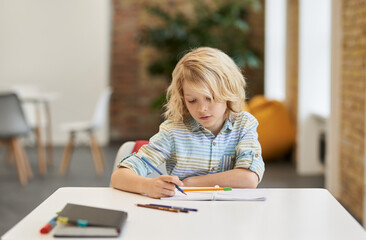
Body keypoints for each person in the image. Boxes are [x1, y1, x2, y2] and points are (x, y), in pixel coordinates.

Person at [111, 47, 265, 198]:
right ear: (183, 99)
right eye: (192, 101)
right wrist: (148, 185)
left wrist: (192, 182)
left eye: (210, 98)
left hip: (230, 215)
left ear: (228, 92)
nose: (202, 109)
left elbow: (249, 179)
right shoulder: (173, 131)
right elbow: (118, 177)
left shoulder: (244, 124)